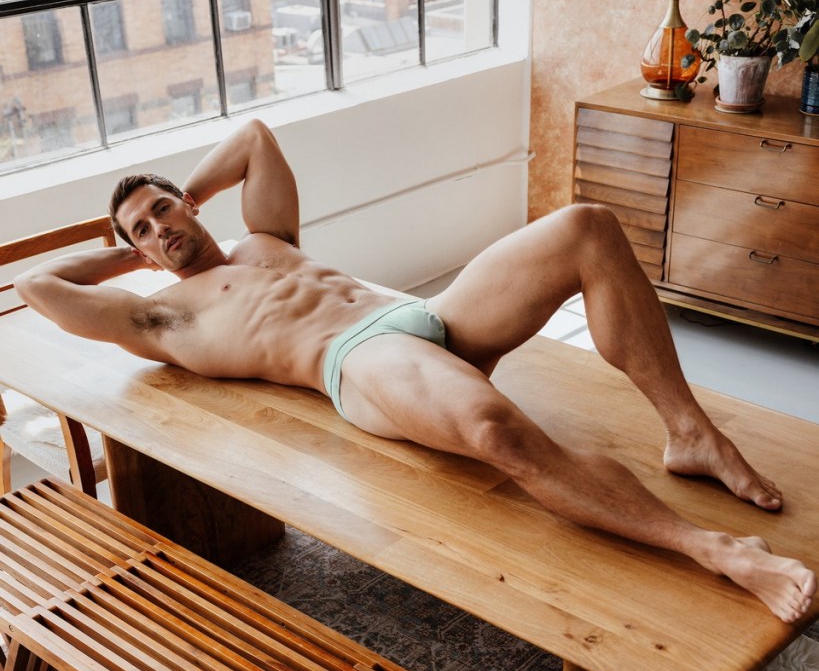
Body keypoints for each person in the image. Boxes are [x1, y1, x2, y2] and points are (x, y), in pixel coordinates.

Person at [14, 119, 816, 624]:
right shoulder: (163, 315)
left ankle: (689, 432)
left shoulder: (263, 238)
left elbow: (254, 138)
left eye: (162, 209)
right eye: (141, 229)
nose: (157, 227)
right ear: (137, 253)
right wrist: (130, 254)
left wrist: (175, 199)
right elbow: (35, 286)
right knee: (497, 431)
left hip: (427, 318)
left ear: (191, 205)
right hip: (361, 363)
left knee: (587, 225)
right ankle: (717, 550)